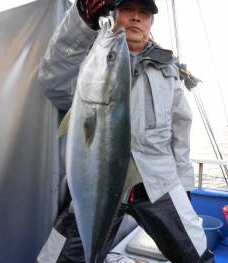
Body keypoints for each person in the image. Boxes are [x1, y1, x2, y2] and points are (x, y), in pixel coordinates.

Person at [38, 0, 214, 262]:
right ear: (114, 13)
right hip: (98, 182)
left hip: (158, 182)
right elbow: (53, 79)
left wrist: (184, 185)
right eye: (128, 9)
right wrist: (82, 21)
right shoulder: (91, 57)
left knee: (197, 256)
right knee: (54, 259)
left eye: (144, 13)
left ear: (151, 23)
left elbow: (181, 130)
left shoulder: (168, 68)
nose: (136, 18)